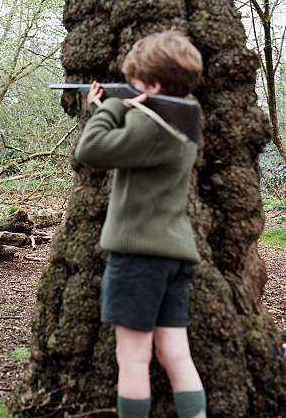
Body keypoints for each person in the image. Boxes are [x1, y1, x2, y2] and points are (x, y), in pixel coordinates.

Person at [74, 31, 206, 418]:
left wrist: (109, 108)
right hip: (174, 256)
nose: (132, 87)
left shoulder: (151, 126)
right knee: (175, 354)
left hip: (139, 257)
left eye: (137, 82)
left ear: (156, 85)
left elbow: (91, 149)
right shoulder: (186, 121)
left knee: (132, 358)